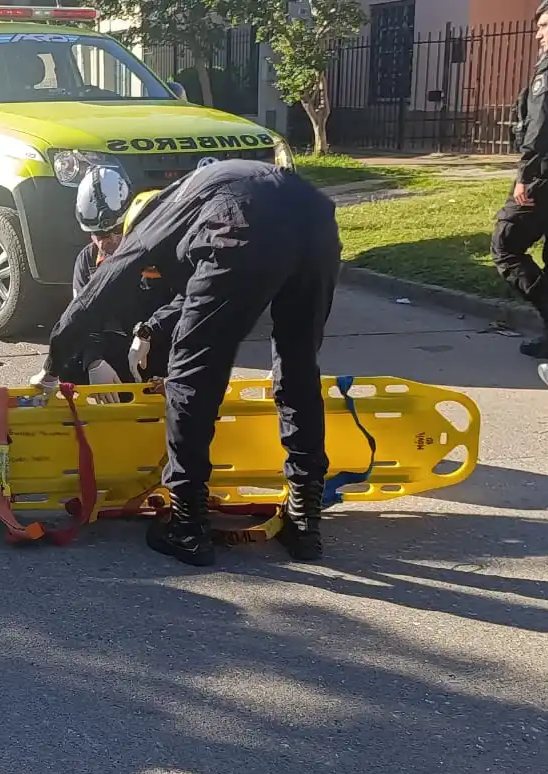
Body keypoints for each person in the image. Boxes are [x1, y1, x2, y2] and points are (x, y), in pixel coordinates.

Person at [39, 159, 341, 568]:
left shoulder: (154, 217)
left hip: (243, 219)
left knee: (193, 370)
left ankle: (187, 524)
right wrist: (146, 331)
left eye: (110, 234)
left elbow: (100, 294)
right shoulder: (196, 197)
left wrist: (54, 363)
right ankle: (305, 522)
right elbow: (191, 291)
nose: (103, 242)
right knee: (298, 364)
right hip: (316, 220)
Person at [490, 0, 548, 360]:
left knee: (506, 247)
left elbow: (539, 124)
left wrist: (525, 174)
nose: (539, 34)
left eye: (544, 25)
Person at [64, 167, 173, 388]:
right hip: (128, 350)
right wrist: (93, 361)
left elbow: (192, 308)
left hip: (166, 344)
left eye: (115, 231)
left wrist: (149, 331)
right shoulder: (88, 261)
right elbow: (80, 320)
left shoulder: (163, 250)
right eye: (99, 235)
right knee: (70, 360)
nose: (106, 243)